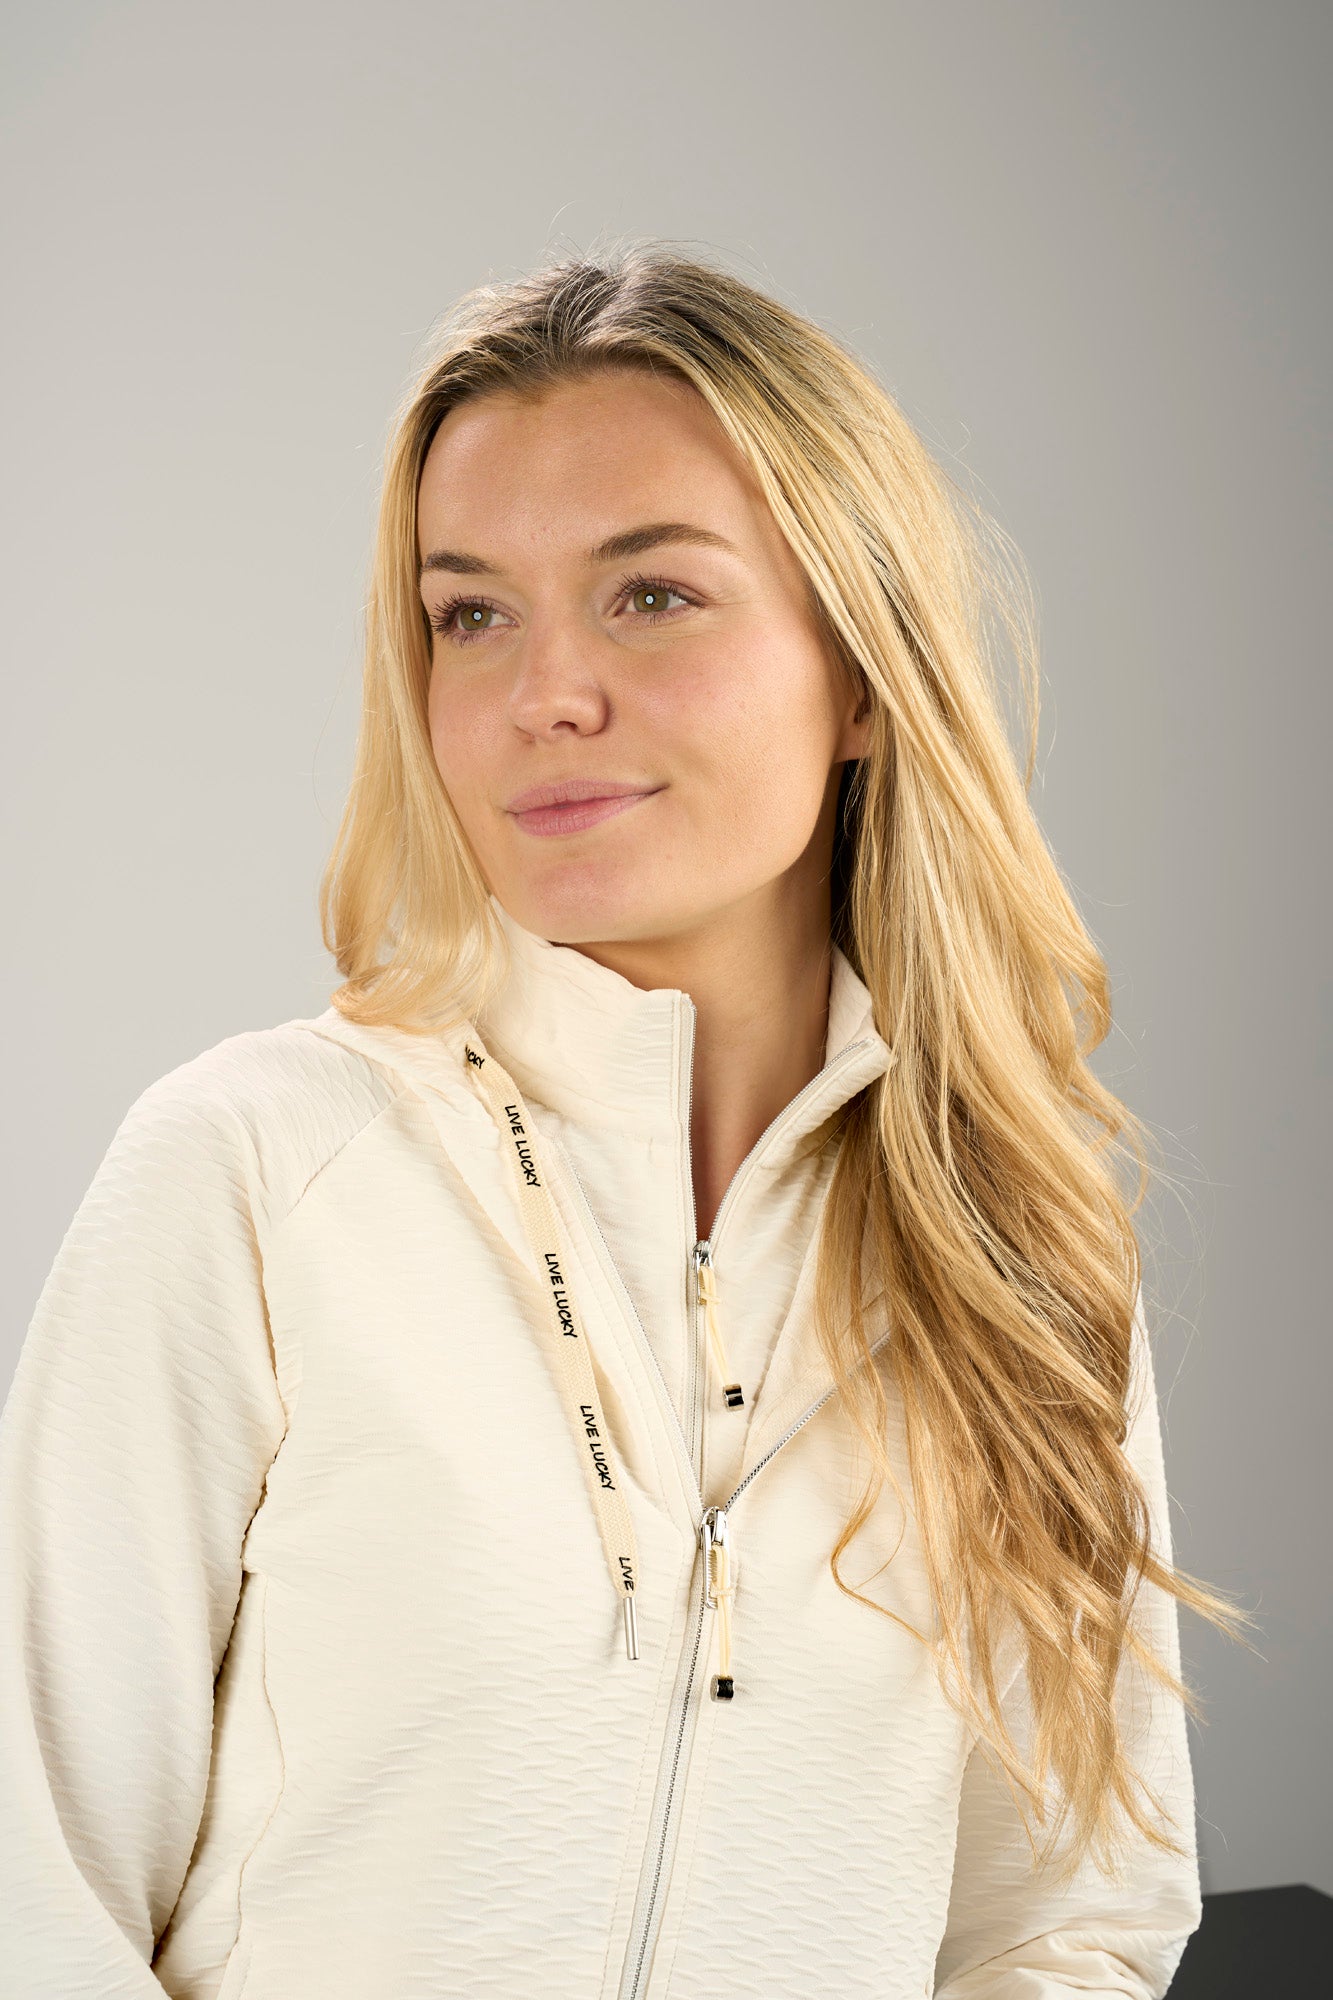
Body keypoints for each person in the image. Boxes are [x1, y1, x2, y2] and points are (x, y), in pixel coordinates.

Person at [0, 242, 1235, 1999]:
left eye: (650, 594)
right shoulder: (259, 1170)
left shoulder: (1013, 1254)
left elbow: (1068, 1919)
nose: (542, 695)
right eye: (471, 614)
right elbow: (28, 1888)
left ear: (861, 673)